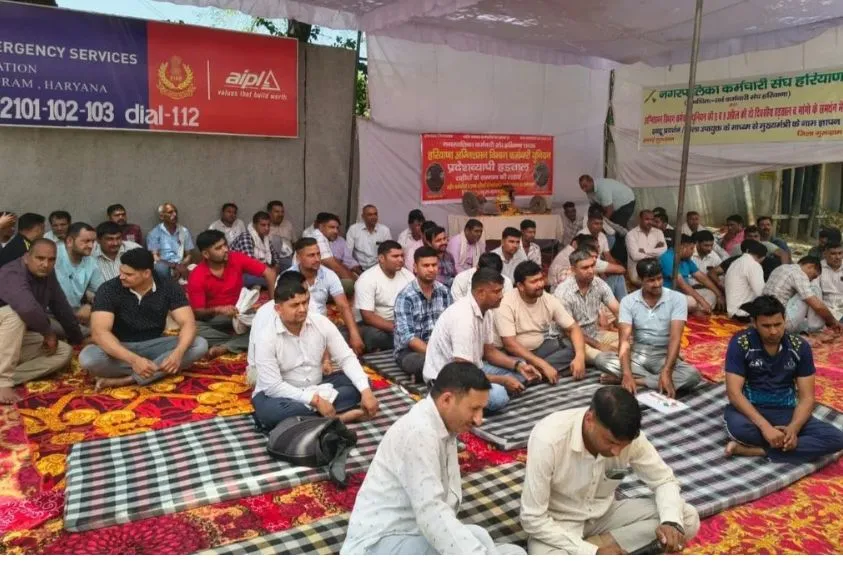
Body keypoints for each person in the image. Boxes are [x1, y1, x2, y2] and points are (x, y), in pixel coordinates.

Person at [341, 362, 526, 555]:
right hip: (377, 544)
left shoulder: (443, 423)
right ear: (447, 400)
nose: (479, 419)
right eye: (474, 409)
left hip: (411, 533)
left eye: (482, 410)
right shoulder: (419, 432)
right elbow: (432, 513)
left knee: (489, 540)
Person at [521, 386, 700, 555]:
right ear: (589, 419)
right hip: (557, 523)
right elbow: (532, 518)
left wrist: (670, 522)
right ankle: (596, 549)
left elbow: (664, 480)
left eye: (623, 445)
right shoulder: (549, 439)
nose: (616, 452)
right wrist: (592, 552)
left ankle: (601, 544)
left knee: (686, 518)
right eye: (611, 442)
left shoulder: (631, 439)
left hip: (603, 515)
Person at [249, 271, 379, 430]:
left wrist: (366, 392)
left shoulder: (320, 322)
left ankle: (307, 420)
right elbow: (273, 386)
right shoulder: (266, 337)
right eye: (295, 305)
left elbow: (346, 358)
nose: (302, 309)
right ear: (278, 309)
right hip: (282, 395)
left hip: (317, 384)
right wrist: (315, 401)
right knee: (272, 413)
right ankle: (338, 418)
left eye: (305, 302)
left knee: (364, 383)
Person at [724, 296, 843, 462]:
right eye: (766, 326)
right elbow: (734, 394)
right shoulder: (741, 343)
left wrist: (793, 429)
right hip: (751, 411)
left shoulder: (799, 347)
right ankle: (785, 446)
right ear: (754, 323)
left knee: (837, 439)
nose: (773, 331)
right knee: (740, 429)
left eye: (778, 324)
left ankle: (758, 451)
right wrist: (766, 428)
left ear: (785, 320)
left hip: (786, 411)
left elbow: (807, 397)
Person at [79, 248, 208, 389]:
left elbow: (188, 323)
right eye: (121, 272)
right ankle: (156, 369)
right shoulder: (108, 289)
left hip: (155, 344)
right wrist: (134, 360)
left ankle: (129, 379)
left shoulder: (168, 286)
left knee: (199, 344)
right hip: (121, 347)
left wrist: (177, 354)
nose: (121, 277)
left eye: (128, 274)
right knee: (89, 358)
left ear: (146, 273)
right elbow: (99, 332)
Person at [423, 268, 540, 413]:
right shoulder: (463, 317)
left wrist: (519, 366)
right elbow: (463, 372)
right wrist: (502, 380)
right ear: (481, 293)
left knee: (522, 372)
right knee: (499, 396)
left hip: (473, 368)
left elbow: (490, 352)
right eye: (496, 292)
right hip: (449, 379)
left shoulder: (487, 311)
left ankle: (476, 399)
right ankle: (461, 402)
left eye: (501, 291)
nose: (501, 296)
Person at [593, 259, 702, 398]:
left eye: (659, 278)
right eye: (651, 280)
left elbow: (675, 339)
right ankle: (653, 380)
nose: (657, 284)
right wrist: (626, 373)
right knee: (601, 359)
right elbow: (624, 340)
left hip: (663, 356)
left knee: (692, 375)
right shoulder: (628, 301)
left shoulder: (677, 299)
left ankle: (638, 381)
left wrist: (667, 371)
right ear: (640, 280)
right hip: (637, 355)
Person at [0, 239, 81, 404]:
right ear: (26, 257)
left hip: (13, 340)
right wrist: (48, 333)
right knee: (16, 314)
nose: (45, 264)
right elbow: (27, 308)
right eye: (40, 258)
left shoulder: (47, 274)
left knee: (62, 352)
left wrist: (78, 338)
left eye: (51, 260)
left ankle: (10, 377)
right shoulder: (11, 272)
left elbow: (61, 306)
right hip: (7, 330)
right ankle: (3, 381)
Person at [188, 230, 277, 357]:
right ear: (206, 254)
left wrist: (273, 305)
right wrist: (218, 310)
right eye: (218, 248)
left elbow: (270, 273)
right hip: (214, 319)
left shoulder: (235, 258)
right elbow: (198, 312)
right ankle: (240, 341)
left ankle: (226, 346)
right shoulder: (197, 275)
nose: (225, 249)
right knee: (193, 329)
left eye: (225, 244)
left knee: (269, 323)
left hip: (240, 313)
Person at [497, 261, 586, 382]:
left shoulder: (547, 298)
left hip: (540, 349)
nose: (540, 284)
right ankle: (538, 372)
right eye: (534, 281)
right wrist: (543, 365)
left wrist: (580, 357)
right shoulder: (506, 303)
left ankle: (534, 374)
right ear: (520, 286)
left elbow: (573, 328)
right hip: (515, 356)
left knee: (572, 346)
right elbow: (510, 345)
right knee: (520, 365)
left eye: (540, 279)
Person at [288, 238, 365, 355]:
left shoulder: (329, 274)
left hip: (321, 328)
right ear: (298, 257)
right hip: (296, 329)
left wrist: (354, 334)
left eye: (318, 254)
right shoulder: (287, 278)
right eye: (311, 255)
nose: (317, 259)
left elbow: (343, 306)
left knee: (356, 334)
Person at [393, 247, 452, 381]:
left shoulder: (444, 292)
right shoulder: (405, 296)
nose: (431, 269)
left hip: (440, 346)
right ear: (415, 267)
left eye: (434, 265)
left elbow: (451, 325)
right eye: (426, 265)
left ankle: (428, 375)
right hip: (411, 351)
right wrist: (436, 355)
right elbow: (408, 338)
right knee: (423, 364)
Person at [554, 249, 621, 364]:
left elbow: (618, 311)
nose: (591, 271)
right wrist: (599, 346)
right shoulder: (563, 293)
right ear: (573, 270)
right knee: (607, 359)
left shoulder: (599, 283)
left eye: (592, 266)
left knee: (631, 343)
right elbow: (569, 331)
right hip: (572, 340)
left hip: (595, 334)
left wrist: (626, 336)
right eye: (585, 268)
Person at [354, 241, 414, 352]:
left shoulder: (408, 275)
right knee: (374, 336)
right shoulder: (366, 279)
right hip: (377, 325)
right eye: (395, 256)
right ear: (381, 258)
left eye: (402, 256)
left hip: (403, 321)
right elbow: (368, 317)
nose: (401, 260)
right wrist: (398, 328)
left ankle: (407, 342)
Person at [763, 257, 843, 334]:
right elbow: (817, 306)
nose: (810, 280)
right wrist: (833, 322)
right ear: (811, 266)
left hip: (765, 317)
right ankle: (816, 329)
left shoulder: (781, 268)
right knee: (814, 289)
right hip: (781, 321)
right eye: (813, 276)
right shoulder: (799, 274)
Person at [659, 234, 724, 314]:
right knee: (692, 302)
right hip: (670, 294)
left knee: (711, 294)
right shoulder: (667, 257)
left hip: (684, 293)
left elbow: (702, 277)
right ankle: (696, 311)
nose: (693, 252)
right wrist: (702, 301)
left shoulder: (686, 260)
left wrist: (719, 294)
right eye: (691, 248)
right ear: (683, 247)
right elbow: (682, 285)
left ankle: (697, 310)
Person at [55, 222, 103, 328]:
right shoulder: (53, 255)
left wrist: (90, 305)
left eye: (93, 241)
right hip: (50, 313)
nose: (91, 246)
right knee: (90, 333)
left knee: (105, 326)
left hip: (76, 313)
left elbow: (102, 292)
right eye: (86, 241)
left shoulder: (91, 262)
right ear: (69, 241)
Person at [548, 234, 625, 294]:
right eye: (594, 248)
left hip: (560, 294)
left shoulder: (566, 253)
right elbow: (621, 269)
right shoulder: (583, 258)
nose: (598, 251)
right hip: (573, 298)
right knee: (618, 277)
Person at [303, 212, 360, 293]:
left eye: (337, 228)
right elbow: (334, 266)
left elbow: (335, 261)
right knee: (349, 285)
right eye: (332, 227)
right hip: (307, 284)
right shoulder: (318, 237)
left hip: (317, 279)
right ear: (321, 226)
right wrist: (358, 283)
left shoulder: (324, 237)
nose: (336, 231)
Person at [230, 211, 283, 287]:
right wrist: (270, 273)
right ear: (255, 225)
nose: (267, 228)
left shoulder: (265, 238)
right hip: (240, 274)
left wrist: (275, 268)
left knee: (280, 274)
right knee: (276, 280)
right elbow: (249, 264)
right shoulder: (246, 237)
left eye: (268, 225)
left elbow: (275, 257)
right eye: (263, 225)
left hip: (261, 270)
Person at [147, 202, 195, 281]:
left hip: (181, 263)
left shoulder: (184, 231)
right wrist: (175, 266)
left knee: (196, 269)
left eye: (175, 211)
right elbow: (155, 258)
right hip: (164, 265)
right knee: (161, 268)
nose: (175, 214)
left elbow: (189, 255)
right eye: (170, 212)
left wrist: (181, 265)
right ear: (161, 216)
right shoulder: (154, 233)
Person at [724, 240, 767, 321]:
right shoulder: (753, 265)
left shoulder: (735, 262)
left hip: (732, 310)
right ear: (762, 257)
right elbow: (761, 292)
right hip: (742, 313)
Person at [626, 210, 667, 284]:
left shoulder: (658, 232)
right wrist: (655, 252)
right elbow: (635, 256)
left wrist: (645, 251)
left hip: (655, 271)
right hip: (637, 274)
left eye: (652, 219)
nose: (650, 222)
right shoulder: (631, 235)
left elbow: (664, 250)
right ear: (640, 219)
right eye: (647, 219)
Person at [346, 205, 392, 271]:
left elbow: (389, 252)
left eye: (375, 214)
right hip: (358, 268)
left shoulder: (385, 230)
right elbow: (348, 253)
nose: (374, 217)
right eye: (370, 215)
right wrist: (354, 266)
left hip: (378, 268)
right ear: (363, 216)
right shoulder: (353, 229)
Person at [266, 200, 295, 270]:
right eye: (277, 212)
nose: (280, 214)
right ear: (269, 213)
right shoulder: (265, 226)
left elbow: (294, 243)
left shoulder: (288, 224)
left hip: (288, 258)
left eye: (282, 212)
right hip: (271, 259)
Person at [820, 240, 843, 322]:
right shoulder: (818, 268)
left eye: (840, 253)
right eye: (833, 254)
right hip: (825, 311)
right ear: (825, 254)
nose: (838, 257)